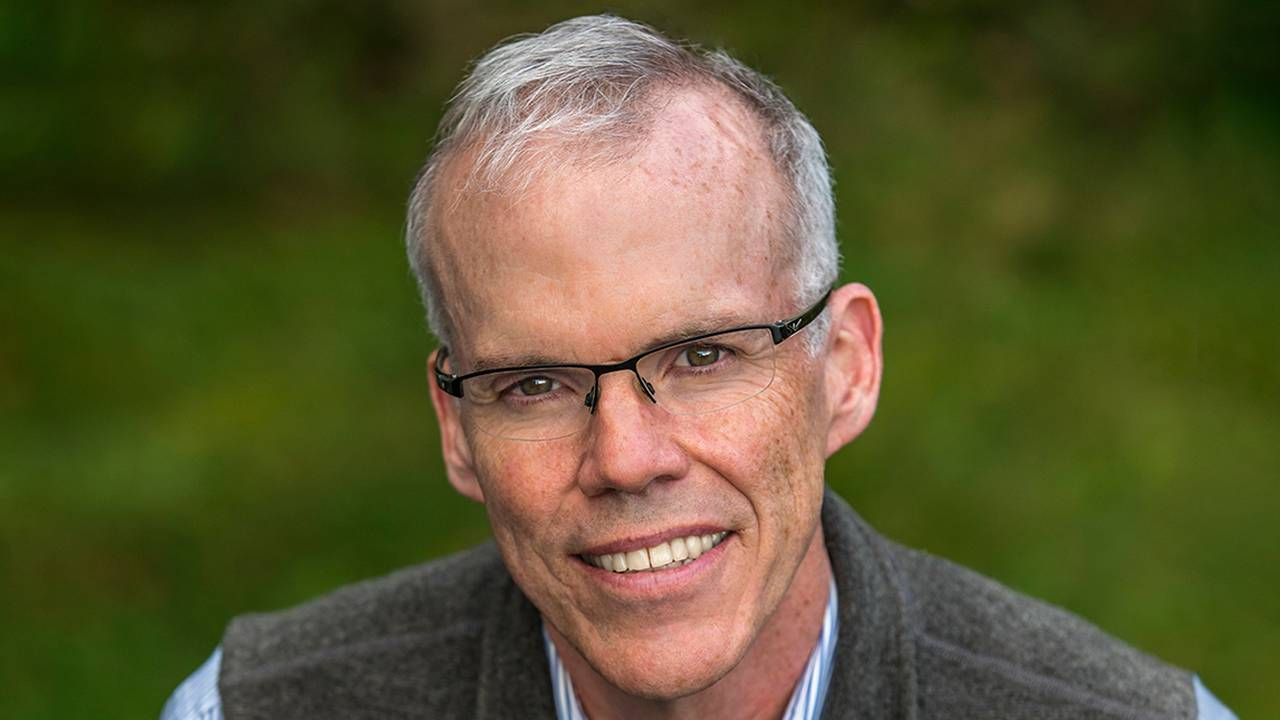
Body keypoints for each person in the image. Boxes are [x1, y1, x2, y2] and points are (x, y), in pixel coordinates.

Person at [162, 15, 1236, 720]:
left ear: (843, 368)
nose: (624, 457)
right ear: (455, 429)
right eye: (534, 385)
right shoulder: (254, 709)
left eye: (703, 356)